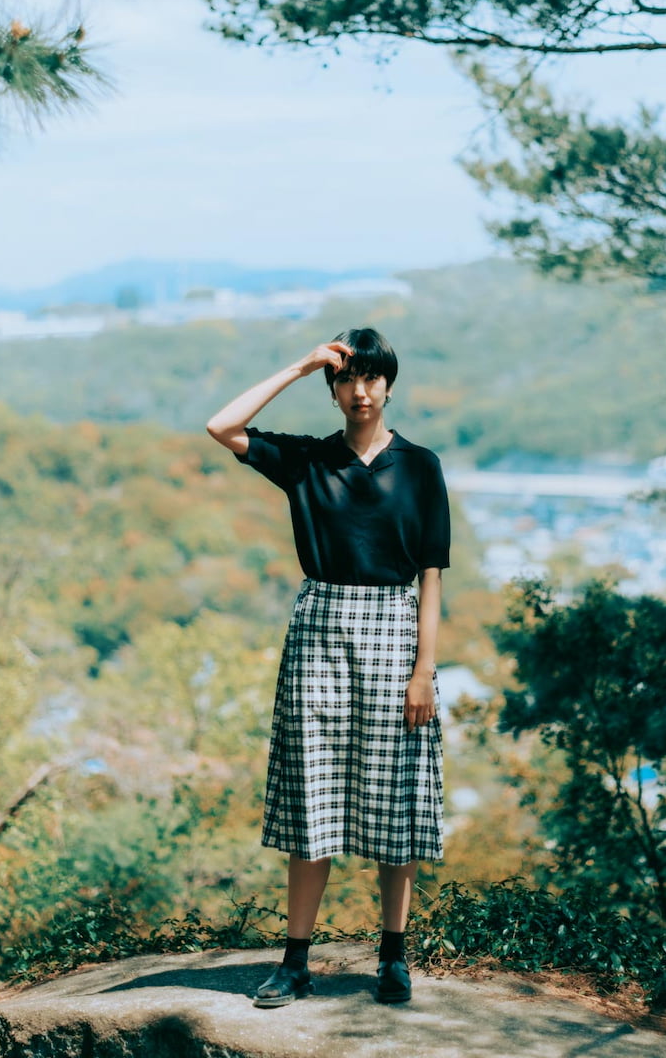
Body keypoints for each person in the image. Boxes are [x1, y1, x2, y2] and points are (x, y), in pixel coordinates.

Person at [206, 326, 450, 1008]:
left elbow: (431, 576)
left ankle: (393, 958)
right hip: (319, 628)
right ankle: (294, 961)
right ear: (334, 388)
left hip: (395, 631)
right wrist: (303, 362)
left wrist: (424, 669)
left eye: (371, 378)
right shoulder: (308, 461)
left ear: (389, 386)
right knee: (312, 795)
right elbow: (221, 425)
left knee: (393, 799)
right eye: (346, 378)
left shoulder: (421, 467)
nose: (360, 390)